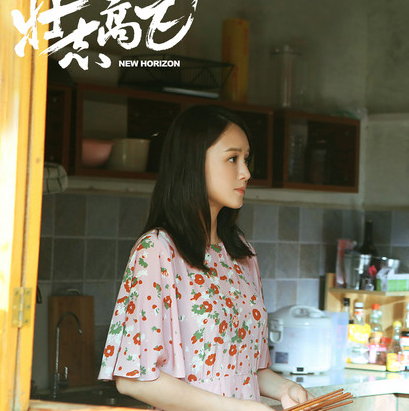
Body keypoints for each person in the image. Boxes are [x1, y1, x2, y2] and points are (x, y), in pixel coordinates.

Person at [98, 105, 312, 410]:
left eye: (246, 159)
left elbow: (247, 367)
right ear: (194, 163)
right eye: (232, 159)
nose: (246, 173)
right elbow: (133, 378)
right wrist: (237, 408)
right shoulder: (157, 250)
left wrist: (286, 388)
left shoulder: (241, 252)